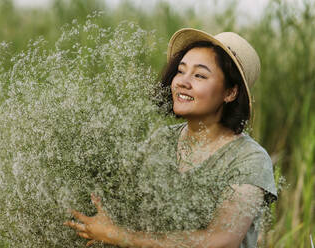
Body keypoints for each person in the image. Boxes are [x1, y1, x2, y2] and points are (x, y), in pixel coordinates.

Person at [64, 28, 277, 248]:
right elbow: (125, 203)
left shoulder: (249, 159)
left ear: (230, 92)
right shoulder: (161, 141)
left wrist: (119, 236)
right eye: (181, 71)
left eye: (199, 75)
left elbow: (221, 241)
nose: (182, 82)